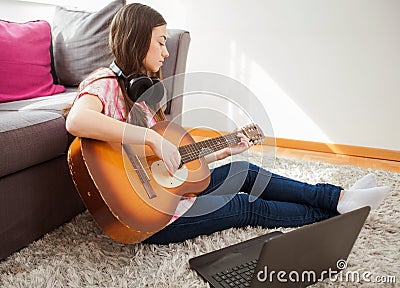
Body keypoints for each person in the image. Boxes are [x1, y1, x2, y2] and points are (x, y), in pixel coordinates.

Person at [65, 3, 390, 244]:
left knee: (244, 171)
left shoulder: (146, 96)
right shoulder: (105, 82)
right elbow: (78, 120)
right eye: (161, 41)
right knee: (241, 205)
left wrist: (222, 152)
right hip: (152, 219)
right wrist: (151, 139)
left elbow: (172, 169)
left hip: (173, 196)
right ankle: (338, 214)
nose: (166, 52)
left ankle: (338, 198)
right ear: (137, 40)